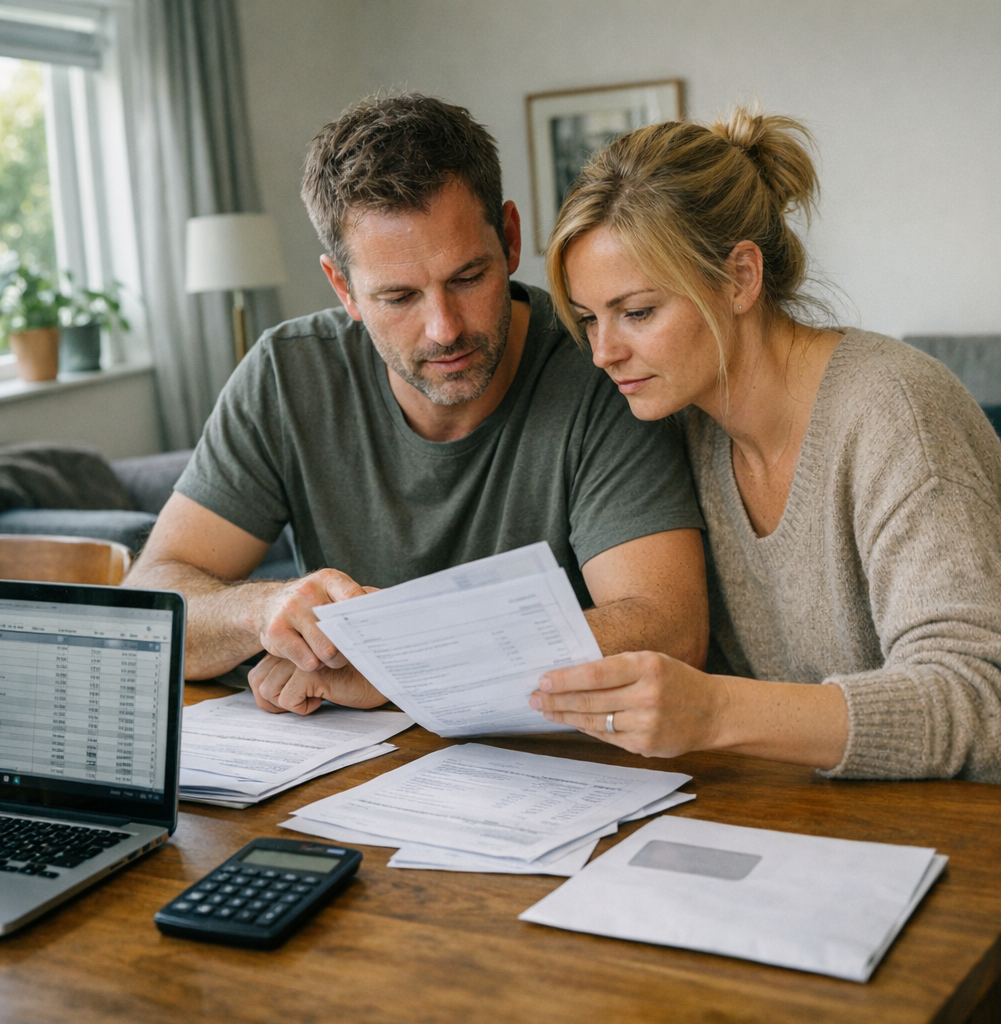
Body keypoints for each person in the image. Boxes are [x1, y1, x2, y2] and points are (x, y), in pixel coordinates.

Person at [125, 93, 708, 715]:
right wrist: (259, 611)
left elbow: (669, 631)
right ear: (343, 288)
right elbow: (148, 608)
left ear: (510, 239)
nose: (444, 329)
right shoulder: (287, 374)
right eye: (399, 297)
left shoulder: (601, 364)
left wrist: (407, 667)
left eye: (467, 278)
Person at [532, 106, 1001, 784]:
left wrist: (715, 711)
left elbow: (990, 705)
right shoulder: (685, 427)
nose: (604, 353)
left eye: (638, 312)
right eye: (589, 320)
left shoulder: (894, 410)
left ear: (740, 278)